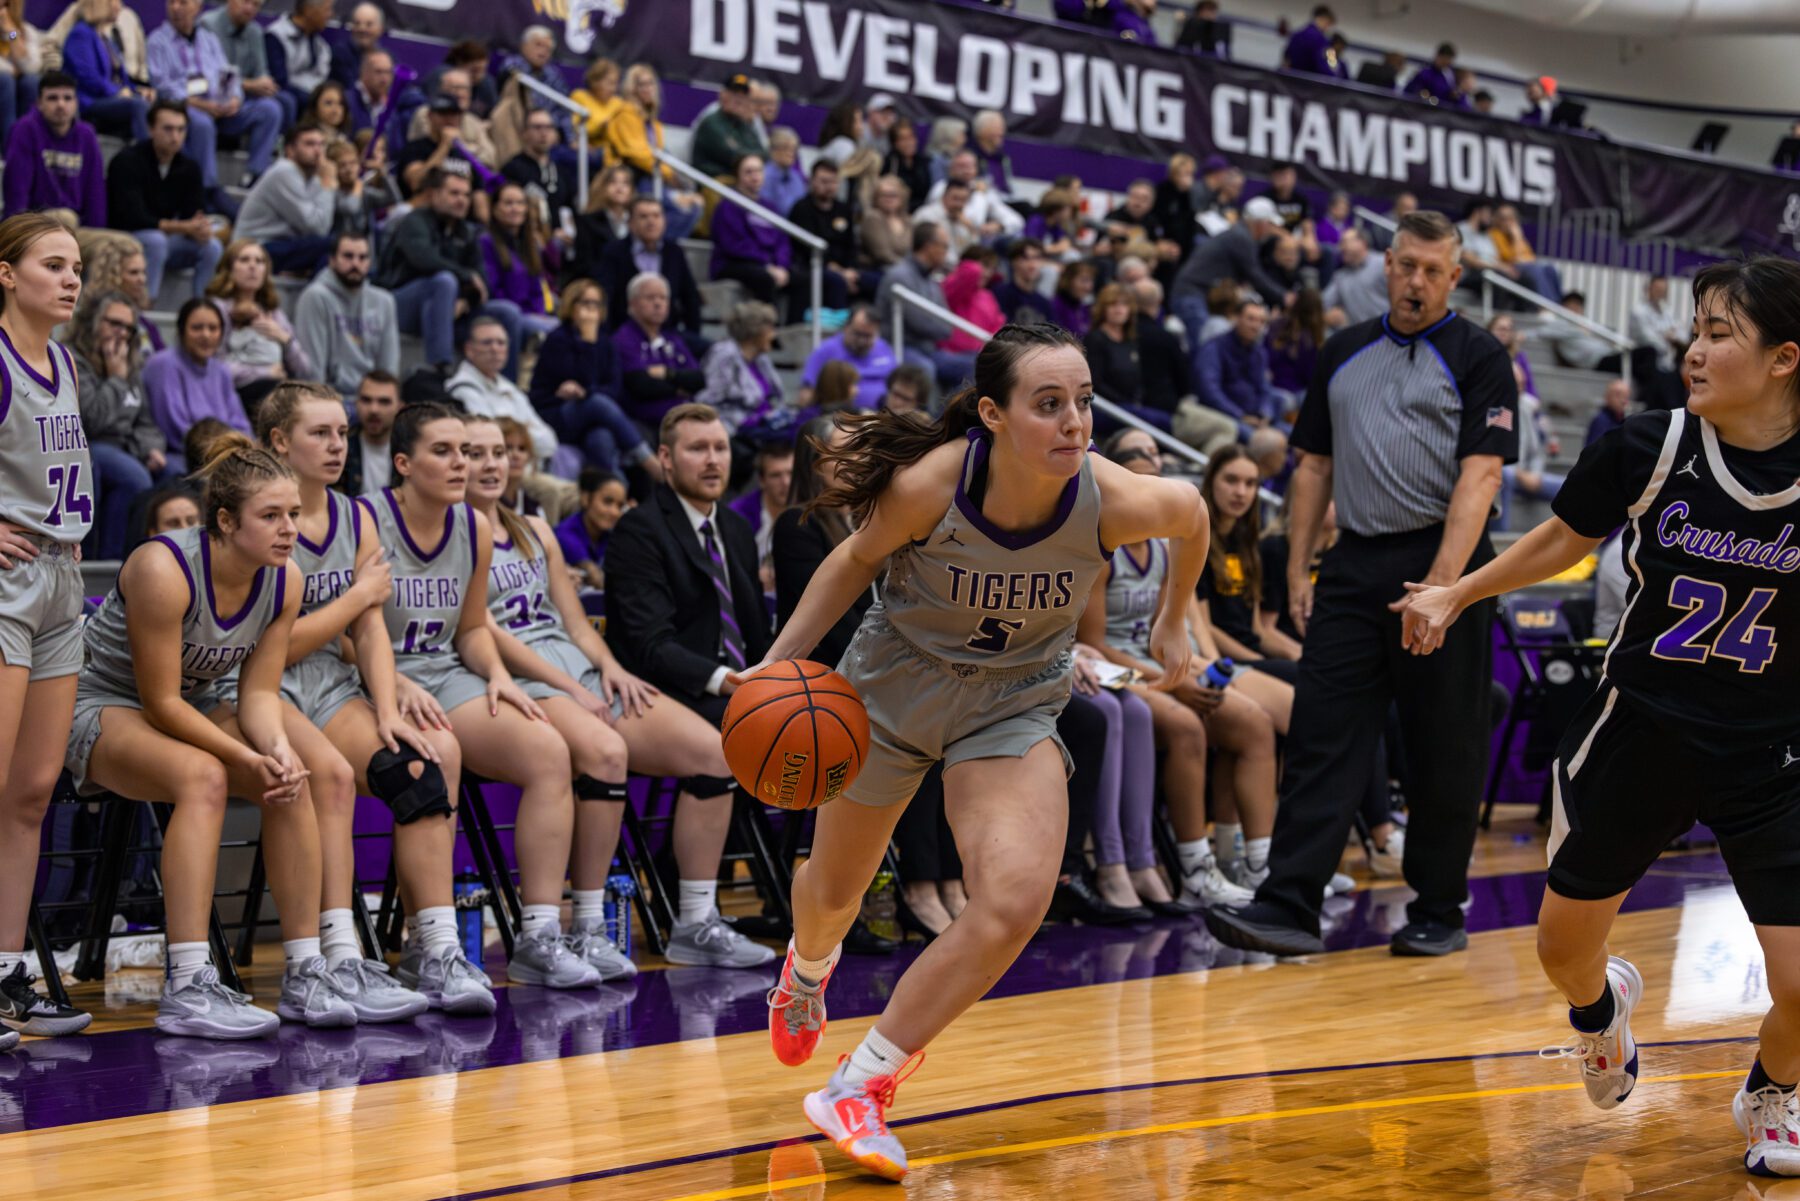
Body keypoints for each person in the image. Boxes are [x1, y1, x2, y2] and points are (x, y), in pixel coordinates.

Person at [750, 324, 1208, 1178]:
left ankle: (863, 1082)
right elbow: (853, 560)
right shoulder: (933, 482)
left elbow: (1195, 512)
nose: (1074, 422)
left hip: (1010, 703)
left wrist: (1177, 618)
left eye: (1083, 402)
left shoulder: (1110, 494)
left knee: (1013, 899)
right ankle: (807, 970)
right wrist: (779, 664)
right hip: (890, 693)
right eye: (1049, 405)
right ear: (992, 414)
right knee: (831, 895)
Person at [1398, 256, 1800, 1177]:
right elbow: (1562, 538)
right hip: (1642, 730)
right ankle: (1599, 1009)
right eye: (1694, 331)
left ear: (1784, 359)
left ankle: (1773, 1088)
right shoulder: (1649, 445)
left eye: (1718, 334)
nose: (1693, 352)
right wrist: (1459, 591)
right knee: (1562, 949)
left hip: (1772, 749)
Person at [1207, 210, 1517, 960]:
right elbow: (1312, 464)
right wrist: (1297, 565)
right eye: (1406, 265)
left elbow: (1481, 475)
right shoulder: (1344, 350)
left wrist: (1443, 586)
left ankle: (1438, 907)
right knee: (1322, 731)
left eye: (1432, 270)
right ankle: (1289, 902)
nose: (1416, 281)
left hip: (1449, 563)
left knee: (1444, 743)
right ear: (1386, 263)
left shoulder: (1479, 357)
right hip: (1353, 562)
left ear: (1455, 275)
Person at [68, 438, 363, 1036]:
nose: (288, 530)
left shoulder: (284, 581)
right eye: (271, 516)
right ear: (225, 522)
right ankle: (187, 984)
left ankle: (306, 970)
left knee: (291, 775)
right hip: (100, 701)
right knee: (203, 777)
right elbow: (161, 702)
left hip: (196, 703)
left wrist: (275, 751)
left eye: (294, 516)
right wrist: (242, 755)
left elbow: (257, 695)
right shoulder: (162, 568)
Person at [466, 416, 759, 973]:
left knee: (716, 752)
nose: (489, 464)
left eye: (498, 453)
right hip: (516, 676)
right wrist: (570, 684)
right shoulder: (452, 535)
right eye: (473, 453)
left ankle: (695, 922)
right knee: (606, 754)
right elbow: (478, 627)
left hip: (576, 668)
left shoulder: (536, 528)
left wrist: (609, 668)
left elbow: (575, 623)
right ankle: (586, 925)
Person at [237, 383, 481, 1018]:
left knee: (420, 766)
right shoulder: (258, 520)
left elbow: (371, 628)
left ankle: (435, 948)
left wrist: (390, 706)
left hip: (330, 682)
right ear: (279, 443)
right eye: (320, 434)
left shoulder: (356, 516)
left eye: (342, 433)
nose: (337, 445)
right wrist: (352, 601)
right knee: (334, 779)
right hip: (262, 685)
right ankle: (338, 956)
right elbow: (272, 644)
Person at [371, 402, 600, 988]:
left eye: (466, 452)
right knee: (436, 758)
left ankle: (540, 937)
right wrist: (393, 681)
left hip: (448, 674)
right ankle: (431, 941)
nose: (462, 463)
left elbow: (472, 628)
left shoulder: (471, 527)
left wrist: (497, 673)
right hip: (375, 676)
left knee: (549, 752)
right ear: (403, 463)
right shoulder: (368, 521)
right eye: (445, 452)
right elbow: (345, 628)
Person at [601, 404, 781, 967]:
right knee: (735, 738)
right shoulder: (639, 530)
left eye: (720, 448)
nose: (712, 460)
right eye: (697, 448)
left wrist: (781, 679)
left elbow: (754, 632)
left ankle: (804, 901)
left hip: (727, 688)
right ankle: (696, 917)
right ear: (664, 458)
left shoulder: (734, 528)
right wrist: (731, 682)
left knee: (824, 729)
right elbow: (651, 646)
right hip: (656, 693)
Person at [0, 216, 97, 1046]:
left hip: (63, 579)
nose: (71, 279)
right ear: (6, 274)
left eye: (77, 266)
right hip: (5, 582)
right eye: (53, 264)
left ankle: (6, 970)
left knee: (32, 791)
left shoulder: (65, 360)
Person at [1077, 432, 1245, 912]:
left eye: (1158, 456)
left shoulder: (1165, 546)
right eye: (1142, 457)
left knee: (1242, 719)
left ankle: (1195, 860)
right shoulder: (1105, 542)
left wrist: (1183, 669)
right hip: (1105, 664)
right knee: (1177, 722)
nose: (1154, 464)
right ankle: (1172, 864)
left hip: (1137, 666)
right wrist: (1161, 683)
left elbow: (1163, 630)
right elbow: (1095, 643)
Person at [147, 0, 280, 199]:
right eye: (171, 2)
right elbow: (162, 86)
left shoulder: (208, 39)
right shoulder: (157, 41)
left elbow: (227, 74)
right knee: (202, 123)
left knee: (270, 110)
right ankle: (208, 189)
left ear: (197, 8)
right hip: (186, 106)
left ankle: (255, 174)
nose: (175, 8)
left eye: (183, 3)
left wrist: (235, 97)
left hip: (220, 105)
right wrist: (198, 104)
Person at [71, 290, 166, 560]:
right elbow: (91, 419)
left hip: (125, 446)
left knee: (174, 473)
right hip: (88, 444)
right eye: (114, 323)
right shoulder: (74, 361)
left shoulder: (128, 365)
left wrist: (149, 448)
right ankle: (106, 561)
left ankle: (139, 559)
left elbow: (145, 421)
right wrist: (115, 379)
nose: (122, 333)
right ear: (93, 322)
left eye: (128, 327)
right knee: (132, 476)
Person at [530, 278, 657, 477]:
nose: (591, 310)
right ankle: (649, 462)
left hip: (593, 415)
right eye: (585, 303)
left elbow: (613, 389)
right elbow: (572, 388)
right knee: (595, 402)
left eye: (596, 304)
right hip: (556, 414)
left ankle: (617, 497)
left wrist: (585, 391)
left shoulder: (607, 343)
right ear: (572, 306)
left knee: (601, 439)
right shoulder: (558, 339)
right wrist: (588, 343)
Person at [373, 169, 491, 371]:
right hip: (398, 304)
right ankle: (439, 368)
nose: (461, 200)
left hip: (445, 308)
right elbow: (424, 259)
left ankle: (504, 389)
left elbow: (481, 279)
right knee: (443, 281)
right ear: (434, 194)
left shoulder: (467, 231)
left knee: (507, 313)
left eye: (466, 195)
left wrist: (466, 299)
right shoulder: (414, 221)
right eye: (454, 193)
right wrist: (465, 276)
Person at [105, 99, 221, 301]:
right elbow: (132, 217)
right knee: (155, 241)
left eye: (181, 130)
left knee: (212, 246)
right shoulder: (127, 160)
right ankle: (145, 304)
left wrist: (200, 228)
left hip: (167, 238)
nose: (175, 137)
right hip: (128, 238)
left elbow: (194, 213)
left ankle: (202, 305)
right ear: (151, 129)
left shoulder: (189, 167)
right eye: (168, 129)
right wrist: (183, 227)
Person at [204, 239, 313, 413]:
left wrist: (285, 339)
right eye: (244, 260)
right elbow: (213, 366)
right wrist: (264, 372)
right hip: (234, 393)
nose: (253, 266)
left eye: (259, 261)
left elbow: (305, 371)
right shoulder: (217, 308)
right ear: (229, 268)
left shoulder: (274, 312)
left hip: (274, 388)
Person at [295, 233, 399, 405]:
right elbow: (313, 372)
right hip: (331, 399)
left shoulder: (384, 301)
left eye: (362, 257)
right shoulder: (315, 297)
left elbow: (389, 369)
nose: (355, 263)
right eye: (348, 256)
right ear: (332, 260)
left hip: (372, 401)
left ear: (369, 263)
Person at [145, 298, 250, 461]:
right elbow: (175, 429)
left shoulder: (221, 370)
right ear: (181, 330)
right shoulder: (163, 364)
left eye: (213, 328)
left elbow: (241, 424)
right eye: (197, 328)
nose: (206, 335)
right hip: (182, 456)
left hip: (224, 454)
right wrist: (224, 451)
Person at [233, 122, 344, 277]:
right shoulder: (284, 171)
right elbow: (317, 228)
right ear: (290, 150)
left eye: (321, 144)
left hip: (281, 244)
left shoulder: (311, 176)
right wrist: (327, 185)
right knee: (336, 245)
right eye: (309, 144)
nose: (318, 151)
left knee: (330, 257)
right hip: (256, 248)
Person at [606, 64, 703, 240]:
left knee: (695, 207)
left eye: (650, 84)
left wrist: (672, 177)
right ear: (632, 88)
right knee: (678, 207)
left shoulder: (654, 124)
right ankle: (649, 243)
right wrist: (668, 173)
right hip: (633, 176)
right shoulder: (625, 114)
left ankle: (656, 244)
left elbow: (657, 153)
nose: (648, 89)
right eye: (642, 84)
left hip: (654, 176)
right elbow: (636, 154)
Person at [446, 317, 559, 468]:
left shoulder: (510, 388)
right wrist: (526, 428)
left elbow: (550, 443)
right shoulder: (461, 388)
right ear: (469, 350)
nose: (495, 348)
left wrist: (514, 431)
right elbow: (493, 441)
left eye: (501, 343)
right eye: (487, 342)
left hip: (524, 472)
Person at [875, 223, 974, 393]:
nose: (947, 253)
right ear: (929, 246)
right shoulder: (899, 276)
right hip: (900, 346)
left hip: (928, 349)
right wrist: (939, 327)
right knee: (924, 369)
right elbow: (919, 323)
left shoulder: (931, 281)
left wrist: (939, 327)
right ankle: (929, 419)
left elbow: (946, 326)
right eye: (944, 246)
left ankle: (947, 416)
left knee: (978, 363)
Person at [597, 195, 705, 347]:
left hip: (667, 334)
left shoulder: (674, 252)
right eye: (643, 216)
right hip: (625, 334)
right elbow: (605, 297)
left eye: (656, 216)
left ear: (664, 221)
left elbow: (690, 298)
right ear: (631, 223)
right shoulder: (614, 252)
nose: (651, 222)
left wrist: (693, 335)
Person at [3, 72, 106, 229]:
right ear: (39, 103)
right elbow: (16, 191)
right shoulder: (24, 130)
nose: (61, 104)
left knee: (126, 245)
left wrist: (97, 233)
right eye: (52, 98)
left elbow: (95, 193)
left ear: (76, 103)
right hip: (34, 225)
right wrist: (17, 234)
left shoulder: (87, 135)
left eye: (67, 98)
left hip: (77, 229)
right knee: (66, 218)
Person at [614, 272, 706, 426]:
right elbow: (640, 386)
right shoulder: (624, 338)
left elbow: (699, 378)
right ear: (632, 303)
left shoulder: (672, 338)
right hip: (645, 423)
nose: (658, 303)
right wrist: (678, 389)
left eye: (663, 298)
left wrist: (667, 373)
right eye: (650, 298)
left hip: (685, 421)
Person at [481, 181, 561, 347]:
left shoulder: (530, 246)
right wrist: (527, 315)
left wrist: (540, 314)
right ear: (495, 209)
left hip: (531, 315)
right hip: (506, 315)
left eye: (520, 203)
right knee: (557, 335)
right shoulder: (486, 242)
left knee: (570, 332)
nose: (515, 208)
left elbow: (537, 289)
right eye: (508, 203)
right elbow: (494, 289)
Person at [790, 158, 874, 314]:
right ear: (812, 181)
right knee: (836, 281)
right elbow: (806, 248)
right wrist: (840, 272)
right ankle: (839, 330)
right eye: (824, 181)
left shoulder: (843, 209)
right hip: (813, 266)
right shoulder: (802, 208)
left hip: (844, 268)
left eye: (833, 182)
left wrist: (851, 269)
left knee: (876, 280)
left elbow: (851, 245)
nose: (829, 187)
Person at [60, 0, 150, 143]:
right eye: (115, 2)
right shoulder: (81, 33)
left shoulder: (104, 36)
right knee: (137, 106)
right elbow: (88, 77)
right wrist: (117, 92)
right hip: (91, 102)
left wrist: (137, 91)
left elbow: (119, 78)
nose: (120, 7)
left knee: (159, 107)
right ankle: (148, 159)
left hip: (109, 98)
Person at [697, 300, 788, 439]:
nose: (774, 335)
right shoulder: (724, 355)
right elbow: (713, 402)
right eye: (770, 328)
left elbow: (775, 398)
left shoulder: (761, 359)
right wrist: (753, 421)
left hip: (764, 429)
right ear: (754, 330)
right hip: (735, 432)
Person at [710, 154, 791, 307]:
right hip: (732, 264)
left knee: (801, 278)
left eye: (758, 171)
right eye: (748, 172)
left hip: (767, 264)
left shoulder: (770, 207)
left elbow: (782, 241)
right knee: (764, 278)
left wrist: (782, 265)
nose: (755, 177)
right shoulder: (728, 206)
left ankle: (794, 328)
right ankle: (766, 327)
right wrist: (767, 265)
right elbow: (735, 245)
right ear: (737, 176)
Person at [1195, 299, 1278, 440]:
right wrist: (1240, 415)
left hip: (1255, 418)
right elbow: (1209, 391)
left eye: (1261, 321)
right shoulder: (1214, 348)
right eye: (1251, 319)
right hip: (1225, 418)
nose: (1256, 326)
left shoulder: (1259, 352)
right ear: (1236, 318)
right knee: (1261, 441)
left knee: (1292, 437)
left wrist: (1265, 414)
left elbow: (1264, 388)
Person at [800, 306, 897, 412]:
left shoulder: (884, 348)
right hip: (839, 417)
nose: (861, 341)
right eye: (857, 334)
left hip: (881, 416)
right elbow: (806, 394)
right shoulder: (826, 350)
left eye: (868, 336)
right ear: (846, 327)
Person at [200, 0, 281, 125]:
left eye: (255, 5)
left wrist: (265, 83)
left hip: (242, 97)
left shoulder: (256, 31)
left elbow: (261, 71)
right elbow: (210, 76)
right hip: (212, 96)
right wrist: (249, 85)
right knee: (203, 121)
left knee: (276, 105)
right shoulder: (208, 25)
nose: (249, 9)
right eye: (245, 2)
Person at [501, 110, 576, 237]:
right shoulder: (512, 169)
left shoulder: (561, 171)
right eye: (537, 127)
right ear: (524, 133)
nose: (543, 133)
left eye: (548, 127)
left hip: (559, 246)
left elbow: (570, 208)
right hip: (527, 242)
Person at [554, 467, 624, 589]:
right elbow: (595, 577)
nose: (615, 512)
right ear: (585, 499)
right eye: (607, 502)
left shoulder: (610, 535)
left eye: (620, 506)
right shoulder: (565, 534)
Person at [568, 165, 636, 286]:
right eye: (613, 182)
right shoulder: (587, 222)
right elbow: (585, 264)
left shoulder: (637, 223)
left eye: (625, 183)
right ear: (602, 187)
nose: (619, 187)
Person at [690, 73, 765, 181]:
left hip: (738, 182)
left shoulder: (743, 124)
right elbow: (733, 156)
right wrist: (751, 156)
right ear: (723, 94)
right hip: (712, 183)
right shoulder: (712, 122)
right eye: (734, 93)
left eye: (743, 95)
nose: (739, 99)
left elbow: (764, 153)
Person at [263, 0, 331, 118]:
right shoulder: (275, 37)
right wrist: (314, 98)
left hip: (315, 97)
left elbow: (323, 77)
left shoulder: (322, 46)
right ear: (309, 11)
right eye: (327, 10)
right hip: (290, 98)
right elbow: (279, 82)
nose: (330, 15)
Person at [340, 369, 399, 496]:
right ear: (356, 403)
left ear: (400, 407)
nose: (374, 409)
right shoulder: (340, 448)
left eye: (384, 402)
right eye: (366, 400)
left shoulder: (412, 451)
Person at [940, 250, 1006, 358]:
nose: (988, 274)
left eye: (992, 269)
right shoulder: (952, 285)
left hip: (979, 355)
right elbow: (970, 273)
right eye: (985, 265)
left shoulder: (988, 296)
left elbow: (997, 327)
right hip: (950, 353)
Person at [1322, 228, 1386, 328]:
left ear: (1362, 243)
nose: (1341, 248)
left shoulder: (1383, 264)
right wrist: (1325, 316)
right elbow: (1323, 303)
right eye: (1340, 243)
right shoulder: (1340, 277)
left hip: (1389, 332)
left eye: (1345, 242)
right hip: (1362, 338)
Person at [860, 175, 914, 271]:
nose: (888, 199)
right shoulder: (873, 218)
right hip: (878, 269)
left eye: (893, 195)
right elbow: (882, 254)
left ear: (901, 198)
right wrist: (909, 268)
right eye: (883, 195)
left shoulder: (907, 220)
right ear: (876, 198)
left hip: (903, 269)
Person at [880, 122, 932, 218]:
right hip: (898, 213)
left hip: (922, 212)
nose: (909, 143)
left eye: (911, 137)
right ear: (895, 143)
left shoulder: (924, 162)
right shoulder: (889, 164)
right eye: (903, 139)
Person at [1404, 42, 1460, 106]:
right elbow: (1409, 90)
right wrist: (1420, 93)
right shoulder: (1425, 73)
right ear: (1437, 56)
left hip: (1442, 111)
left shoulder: (1451, 77)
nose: (1446, 63)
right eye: (1443, 60)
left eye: (1448, 61)